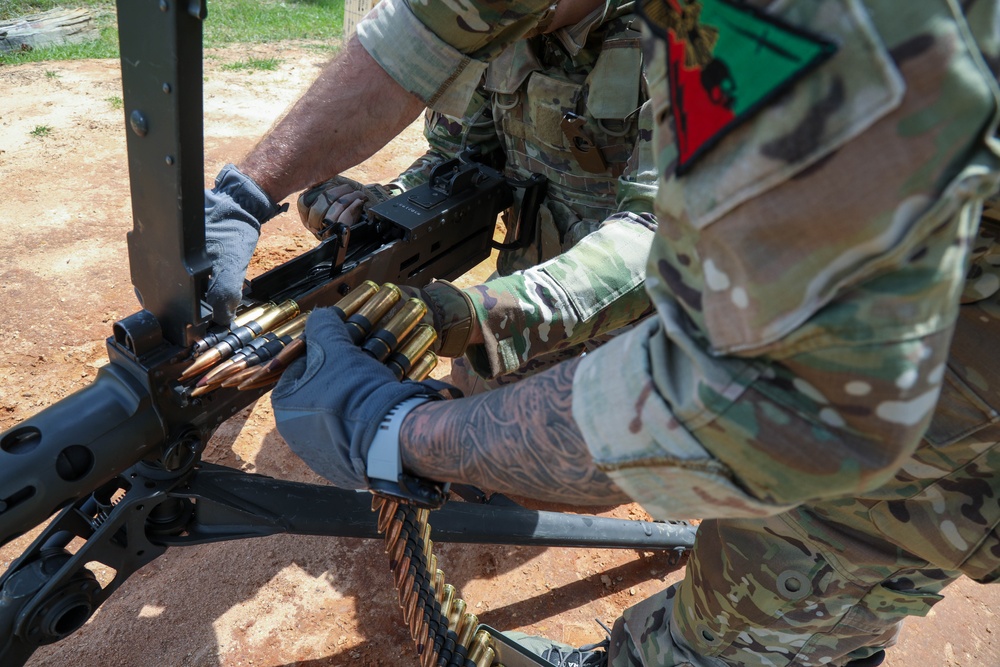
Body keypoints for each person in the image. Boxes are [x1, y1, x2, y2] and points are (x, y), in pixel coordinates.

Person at [221, 1, 1000, 666]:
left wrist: (399, 428)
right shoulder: (511, 32)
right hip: (682, 324)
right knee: (491, 428)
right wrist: (291, 199)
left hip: (921, 418)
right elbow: (458, 149)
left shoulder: (754, 30)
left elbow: (727, 372)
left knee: (738, 617)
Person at [207, 0, 659, 396]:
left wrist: (477, 314)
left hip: (658, 319)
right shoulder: (506, 26)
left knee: (575, 467)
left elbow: (659, 237)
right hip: (525, 283)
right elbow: (462, 158)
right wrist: (386, 203)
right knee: (471, 414)